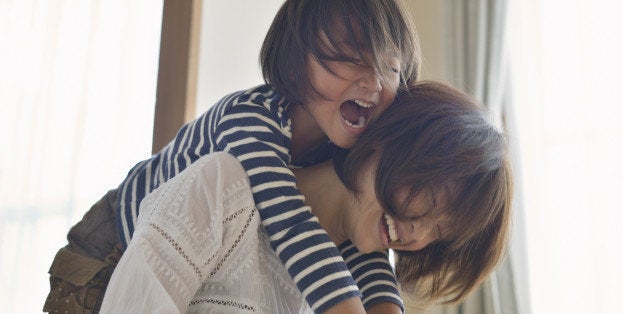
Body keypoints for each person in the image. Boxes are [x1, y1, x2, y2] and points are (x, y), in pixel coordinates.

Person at [43, 0, 421, 313]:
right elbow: (290, 222)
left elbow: (356, 232)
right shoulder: (251, 120)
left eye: (390, 67)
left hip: (189, 263)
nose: (374, 82)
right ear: (297, 57)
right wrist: (345, 304)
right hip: (111, 246)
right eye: (354, 58)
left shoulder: (340, 147)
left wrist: (386, 302)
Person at [99, 81, 513, 313]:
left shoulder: (361, 281)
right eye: (428, 197)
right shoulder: (225, 183)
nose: (417, 230)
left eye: (438, 231)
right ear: (387, 141)